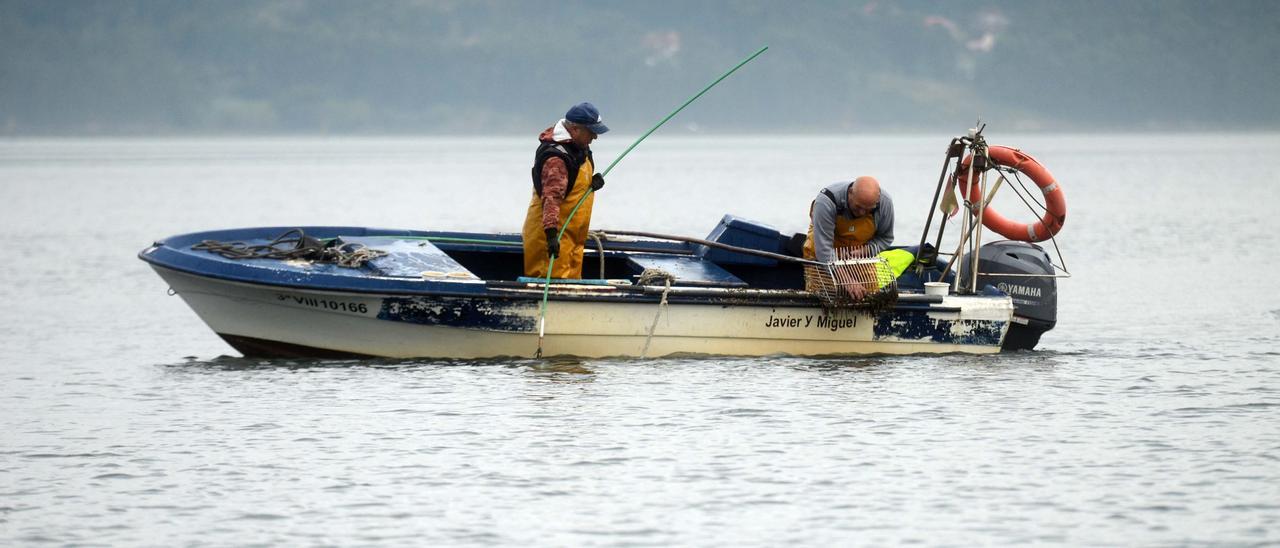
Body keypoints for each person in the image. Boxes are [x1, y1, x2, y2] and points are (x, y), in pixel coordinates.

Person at [522, 102, 609, 279]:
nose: (595, 137)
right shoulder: (557, 158)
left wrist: (591, 184)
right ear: (575, 129)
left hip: (574, 239)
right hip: (552, 237)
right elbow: (552, 198)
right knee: (551, 281)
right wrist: (552, 237)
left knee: (571, 282)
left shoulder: (580, 148)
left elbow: (571, 185)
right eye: (591, 131)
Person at [803, 176, 897, 299]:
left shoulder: (885, 203)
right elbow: (824, 249)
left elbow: (886, 238)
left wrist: (865, 251)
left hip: (860, 256)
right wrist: (847, 281)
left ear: (877, 200)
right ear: (850, 193)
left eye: (868, 209)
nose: (862, 213)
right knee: (826, 296)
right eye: (858, 207)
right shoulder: (827, 201)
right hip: (825, 252)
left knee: (869, 297)